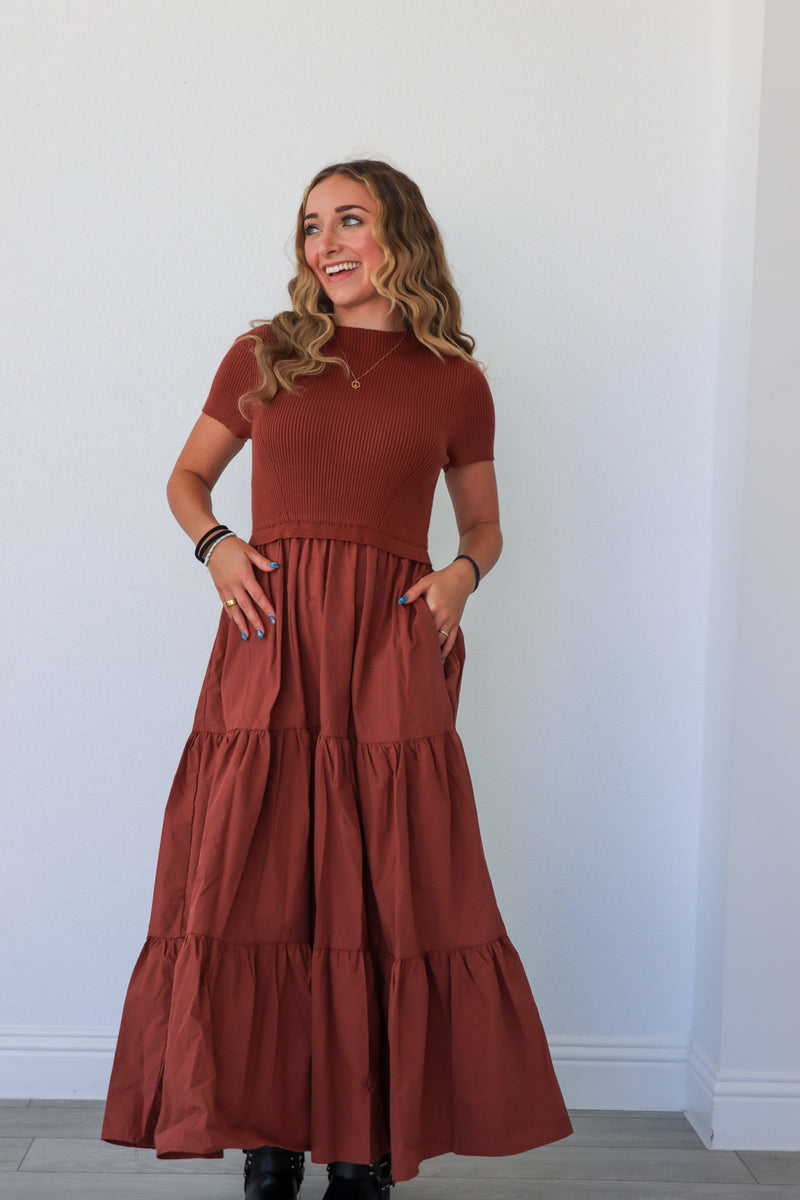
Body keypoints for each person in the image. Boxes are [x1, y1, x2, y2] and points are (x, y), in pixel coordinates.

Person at [101, 159, 572, 1199]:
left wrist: (459, 573)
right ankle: (269, 1145)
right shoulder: (263, 354)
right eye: (310, 226)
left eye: (347, 219)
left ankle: (362, 1151)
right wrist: (217, 545)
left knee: (379, 884)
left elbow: (485, 524)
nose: (324, 243)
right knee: (260, 874)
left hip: (386, 649)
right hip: (270, 642)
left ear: (399, 234)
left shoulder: (455, 380)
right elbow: (186, 478)